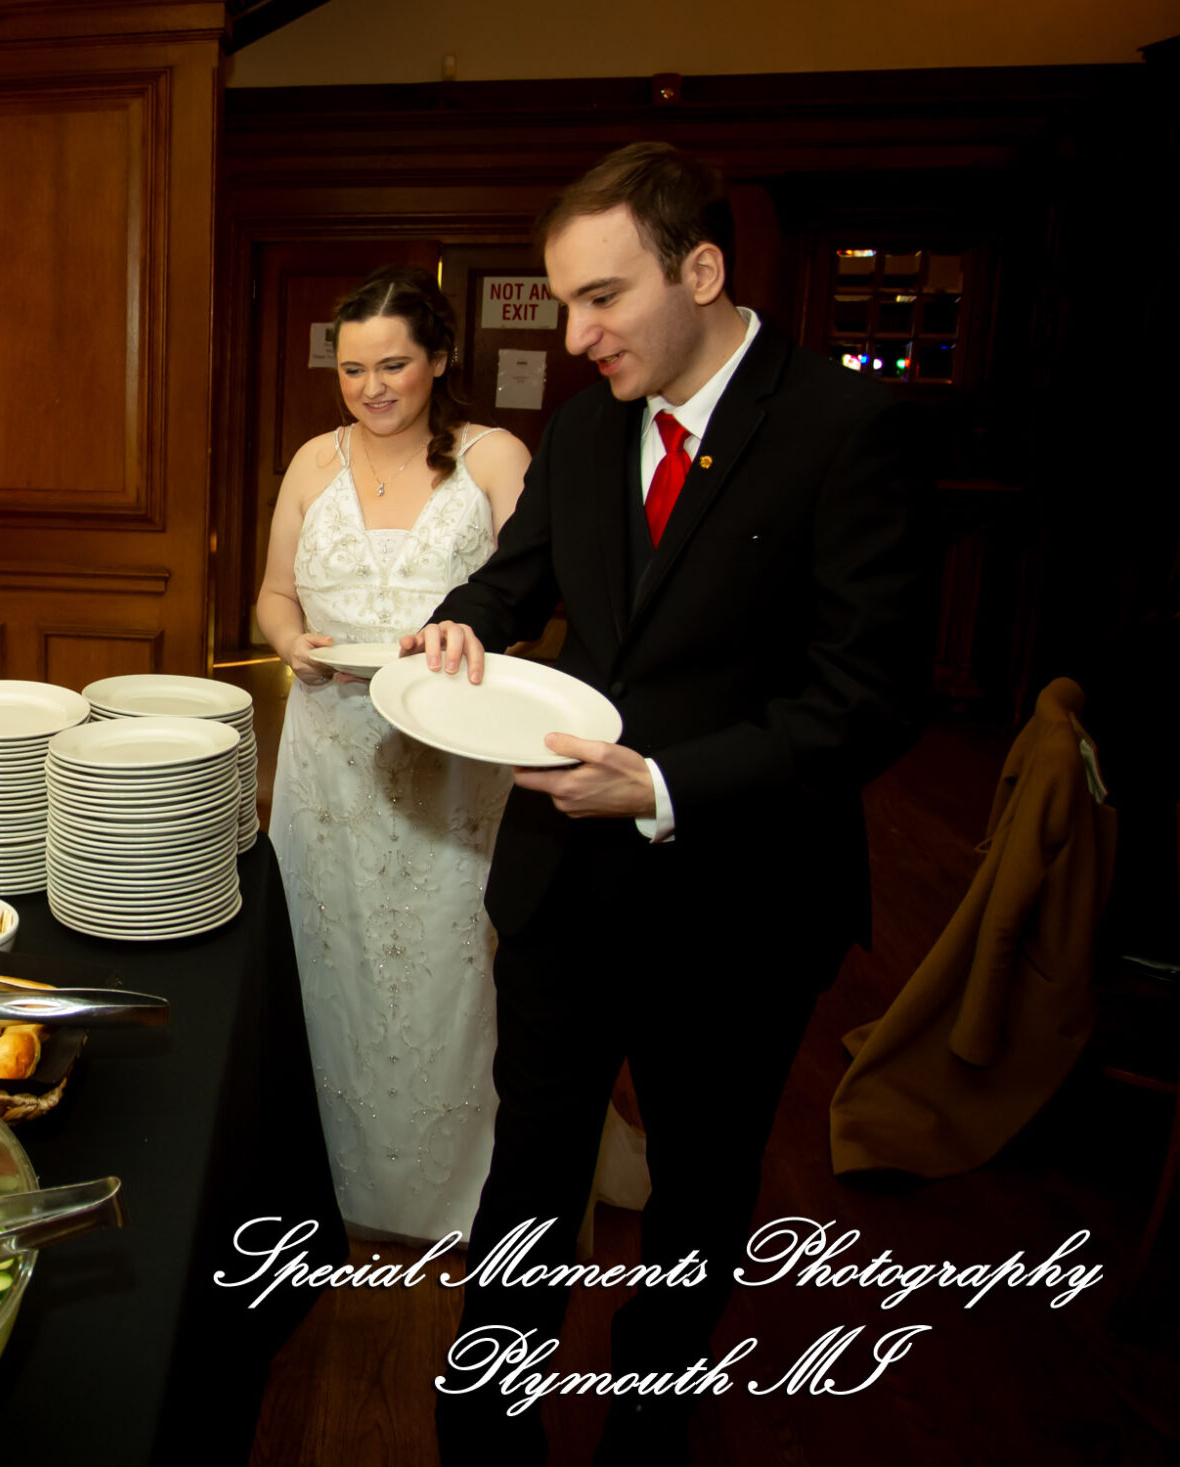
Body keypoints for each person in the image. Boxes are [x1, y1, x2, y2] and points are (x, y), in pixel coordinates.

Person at [406, 143, 933, 1463]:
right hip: (561, 891)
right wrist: (455, 633)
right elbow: (508, 587)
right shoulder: (584, 432)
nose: (575, 335)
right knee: (527, 1180)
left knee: (697, 1206)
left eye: (602, 298)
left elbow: (870, 694)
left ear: (700, 269)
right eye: (566, 301)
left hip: (739, 901)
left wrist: (660, 781)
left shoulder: (842, 428)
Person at [257, 264, 532, 1244]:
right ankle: (316, 1176)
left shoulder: (495, 460)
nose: (371, 387)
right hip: (327, 755)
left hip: (447, 761)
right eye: (352, 369)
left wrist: (470, 648)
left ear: (440, 360)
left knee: (442, 962)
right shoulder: (310, 464)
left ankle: (447, 1190)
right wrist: (292, 647)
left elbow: (536, 601)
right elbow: (273, 598)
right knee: (323, 956)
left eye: (394, 365)